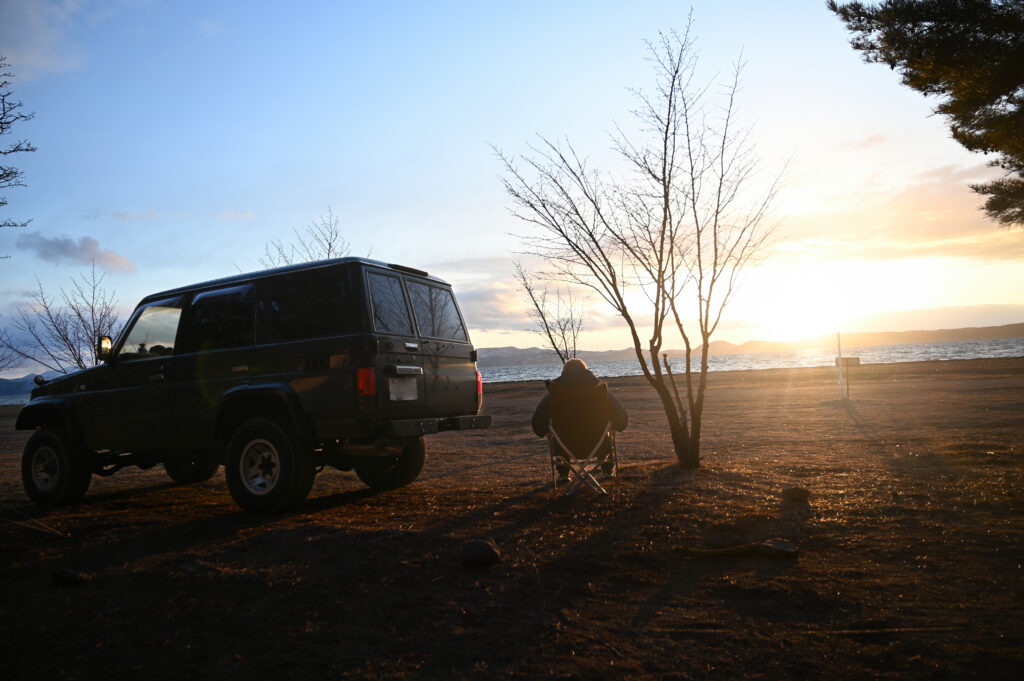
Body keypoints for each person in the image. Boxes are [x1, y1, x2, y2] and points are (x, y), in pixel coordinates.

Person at [531, 358, 628, 478]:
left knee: (558, 436)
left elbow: (537, 424)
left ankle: (563, 474)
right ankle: (607, 471)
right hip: (598, 445)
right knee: (606, 435)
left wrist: (548, 431)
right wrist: (612, 427)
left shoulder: (554, 394)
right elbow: (622, 420)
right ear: (586, 372)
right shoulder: (601, 392)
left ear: (564, 374)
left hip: (564, 447)